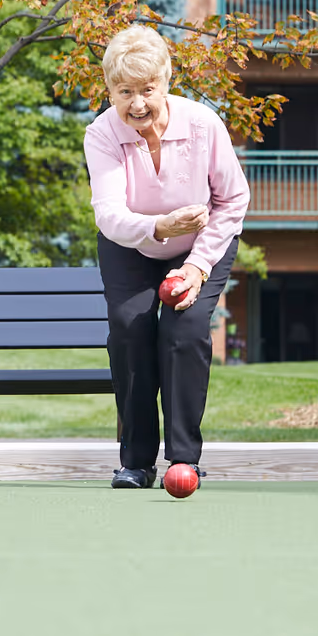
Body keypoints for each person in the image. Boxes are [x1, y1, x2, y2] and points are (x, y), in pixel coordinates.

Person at [84, 26, 250, 490]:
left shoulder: (202, 124)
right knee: (131, 329)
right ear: (110, 90)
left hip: (201, 245)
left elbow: (233, 200)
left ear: (166, 81)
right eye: (125, 92)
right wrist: (158, 227)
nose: (137, 103)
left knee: (185, 330)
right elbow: (110, 215)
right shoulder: (101, 134)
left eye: (147, 90)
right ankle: (135, 461)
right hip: (131, 245)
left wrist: (197, 267)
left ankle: (184, 460)